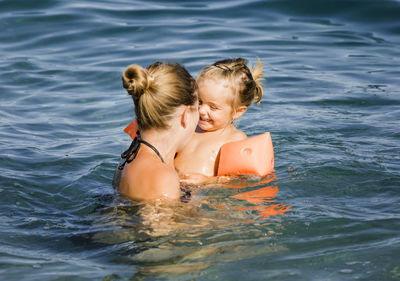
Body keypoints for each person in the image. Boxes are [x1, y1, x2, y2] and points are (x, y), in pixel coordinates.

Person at [113, 62, 198, 200]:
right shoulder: (163, 177)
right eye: (198, 107)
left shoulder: (129, 157)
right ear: (185, 115)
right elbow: (156, 221)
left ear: (138, 111)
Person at [174, 58, 264, 182]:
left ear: (237, 112)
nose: (201, 111)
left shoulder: (235, 139)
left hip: (201, 194)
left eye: (213, 107)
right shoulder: (189, 126)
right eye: (199, 101)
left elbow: (239, 180)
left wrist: (207, 181)